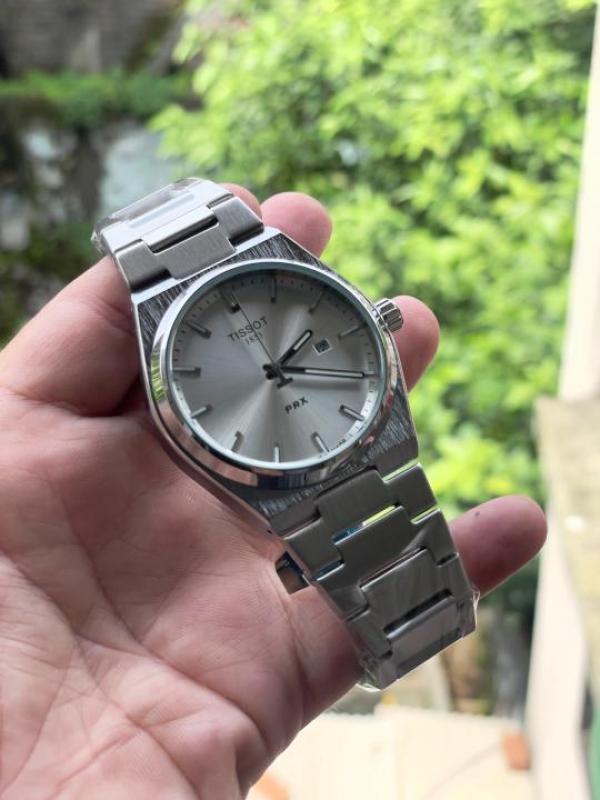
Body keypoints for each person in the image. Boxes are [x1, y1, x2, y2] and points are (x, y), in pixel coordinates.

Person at [0, 185, 546, 799]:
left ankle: (409, 621)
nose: (275, 374)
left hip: (366, 434)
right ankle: (400, 626)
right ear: (169, 403)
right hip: (295, 470)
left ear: (375, 323)